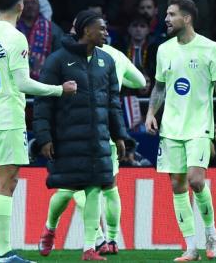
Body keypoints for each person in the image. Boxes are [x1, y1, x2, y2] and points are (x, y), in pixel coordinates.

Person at [0, 0, 76, 263]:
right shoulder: (16, 37)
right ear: (20, 6)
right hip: (7, 116)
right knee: (7, 180)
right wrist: (58, 90)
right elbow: (22, 83)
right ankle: (4, 252)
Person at [38, 13, 146, 257]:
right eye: (103, 28)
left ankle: (92, 246)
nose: (107, 33)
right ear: (87, 30)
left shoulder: (107, 60)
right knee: (66, 192)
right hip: (68, 137)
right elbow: (43, 102)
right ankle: (50, 228)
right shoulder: (58, 60)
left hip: (100, 136)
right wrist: (44, 137)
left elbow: (112, 103)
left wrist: (120, 136)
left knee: (97, 188)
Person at [145, 0, 216, 261]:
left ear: (187, 18)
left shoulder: (210, 49)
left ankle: (211, 232)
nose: (166, 19)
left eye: (171, 14)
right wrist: (150, 113)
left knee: (195, 180)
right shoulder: (164, 49)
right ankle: (191, 246)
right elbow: (159, 87)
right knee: (177, 184)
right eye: (166, 14)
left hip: (199, 128)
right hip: (171, 128)